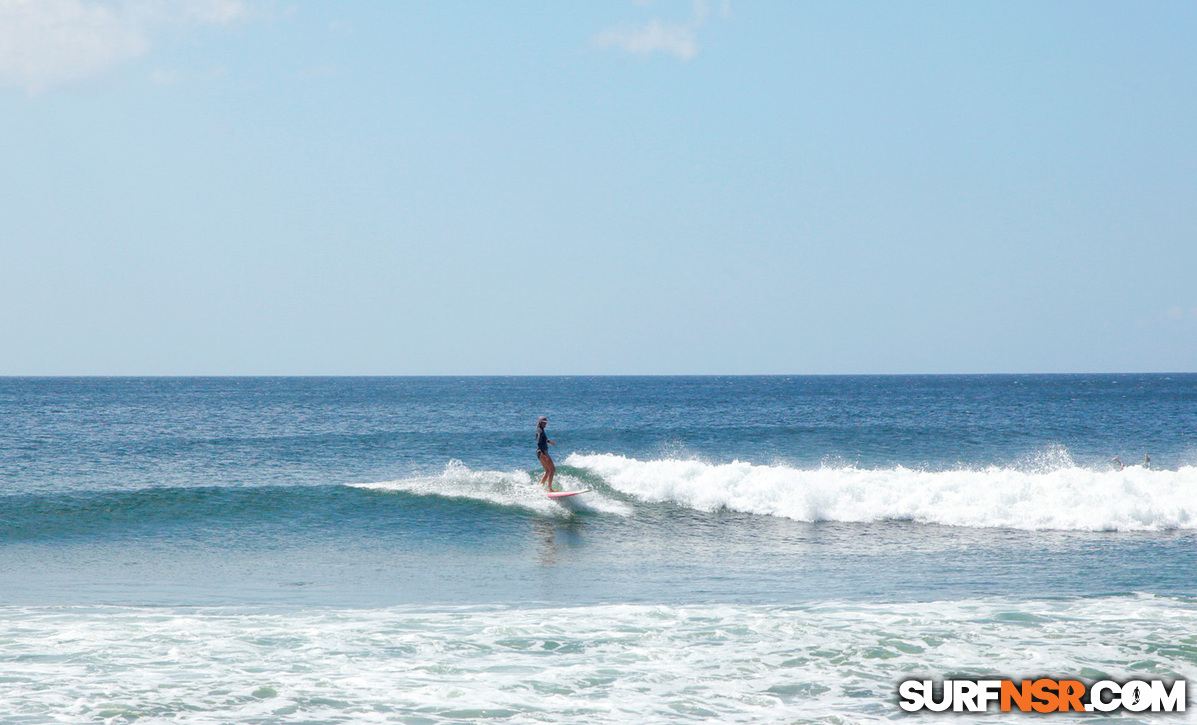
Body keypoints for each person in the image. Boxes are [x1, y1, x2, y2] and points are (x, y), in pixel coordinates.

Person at [536, 416, 556, 492]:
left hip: (540, 452)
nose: (545, 424)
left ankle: (540, 486)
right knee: (552, 469)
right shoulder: (540, 431)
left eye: (545, 423)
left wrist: (549, 442)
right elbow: (539, 442)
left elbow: (543, 439)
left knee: (548, 471)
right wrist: (544, 454)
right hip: (542, 452)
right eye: (544, 423)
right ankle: (550, 489)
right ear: (540, 423)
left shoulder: (540, 430)